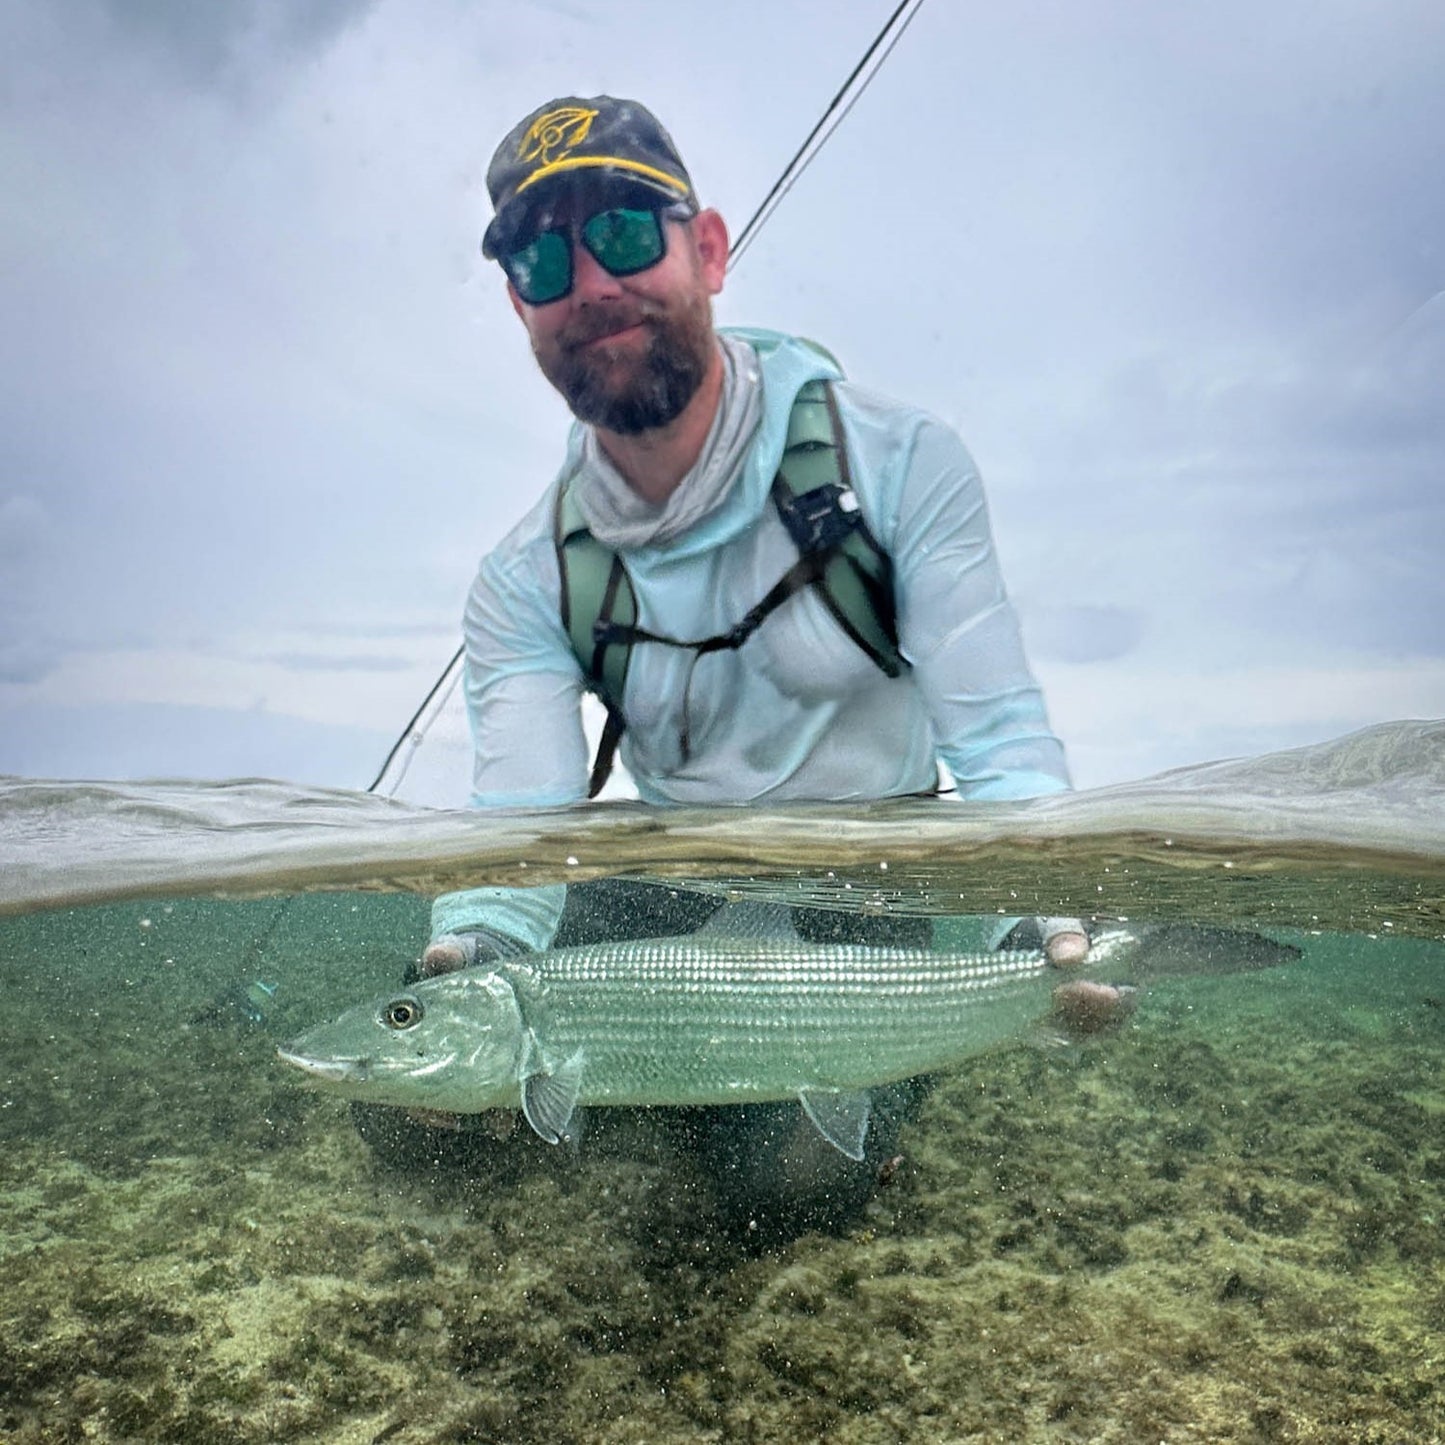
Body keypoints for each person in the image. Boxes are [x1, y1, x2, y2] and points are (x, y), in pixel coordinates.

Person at [395, 95, 1093, 1237]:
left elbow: (998, 733)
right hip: (678, 884)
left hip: (865, 896)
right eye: (540, 259)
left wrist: (1046, 916)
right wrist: (478, 939)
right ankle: (664, 1077)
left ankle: (840, 1077)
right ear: (520, 306)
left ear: (707, 249)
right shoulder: (524, 574)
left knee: (778, 1195)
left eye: (623, 233)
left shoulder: (901, 461)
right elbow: (521, 805)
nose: (590, 283)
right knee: (412, 1078)